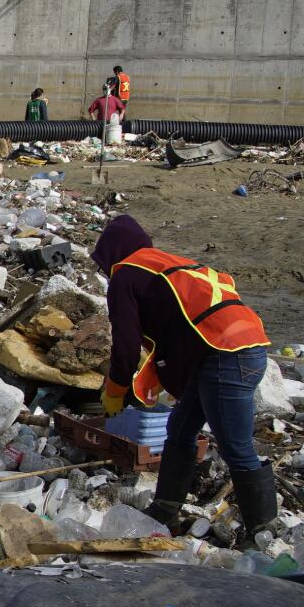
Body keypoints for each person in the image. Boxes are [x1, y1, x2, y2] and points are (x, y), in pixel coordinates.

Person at [92, 215, 278, 537]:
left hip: (226, 354)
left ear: (112, 252)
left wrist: (115, 388)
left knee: (237, 448)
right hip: (243, 345)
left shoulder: (126, 275)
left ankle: (264, 533)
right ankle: (165, 510)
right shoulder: (167, 264)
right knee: (179, 428)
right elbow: (178, 329)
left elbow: (125, 344)